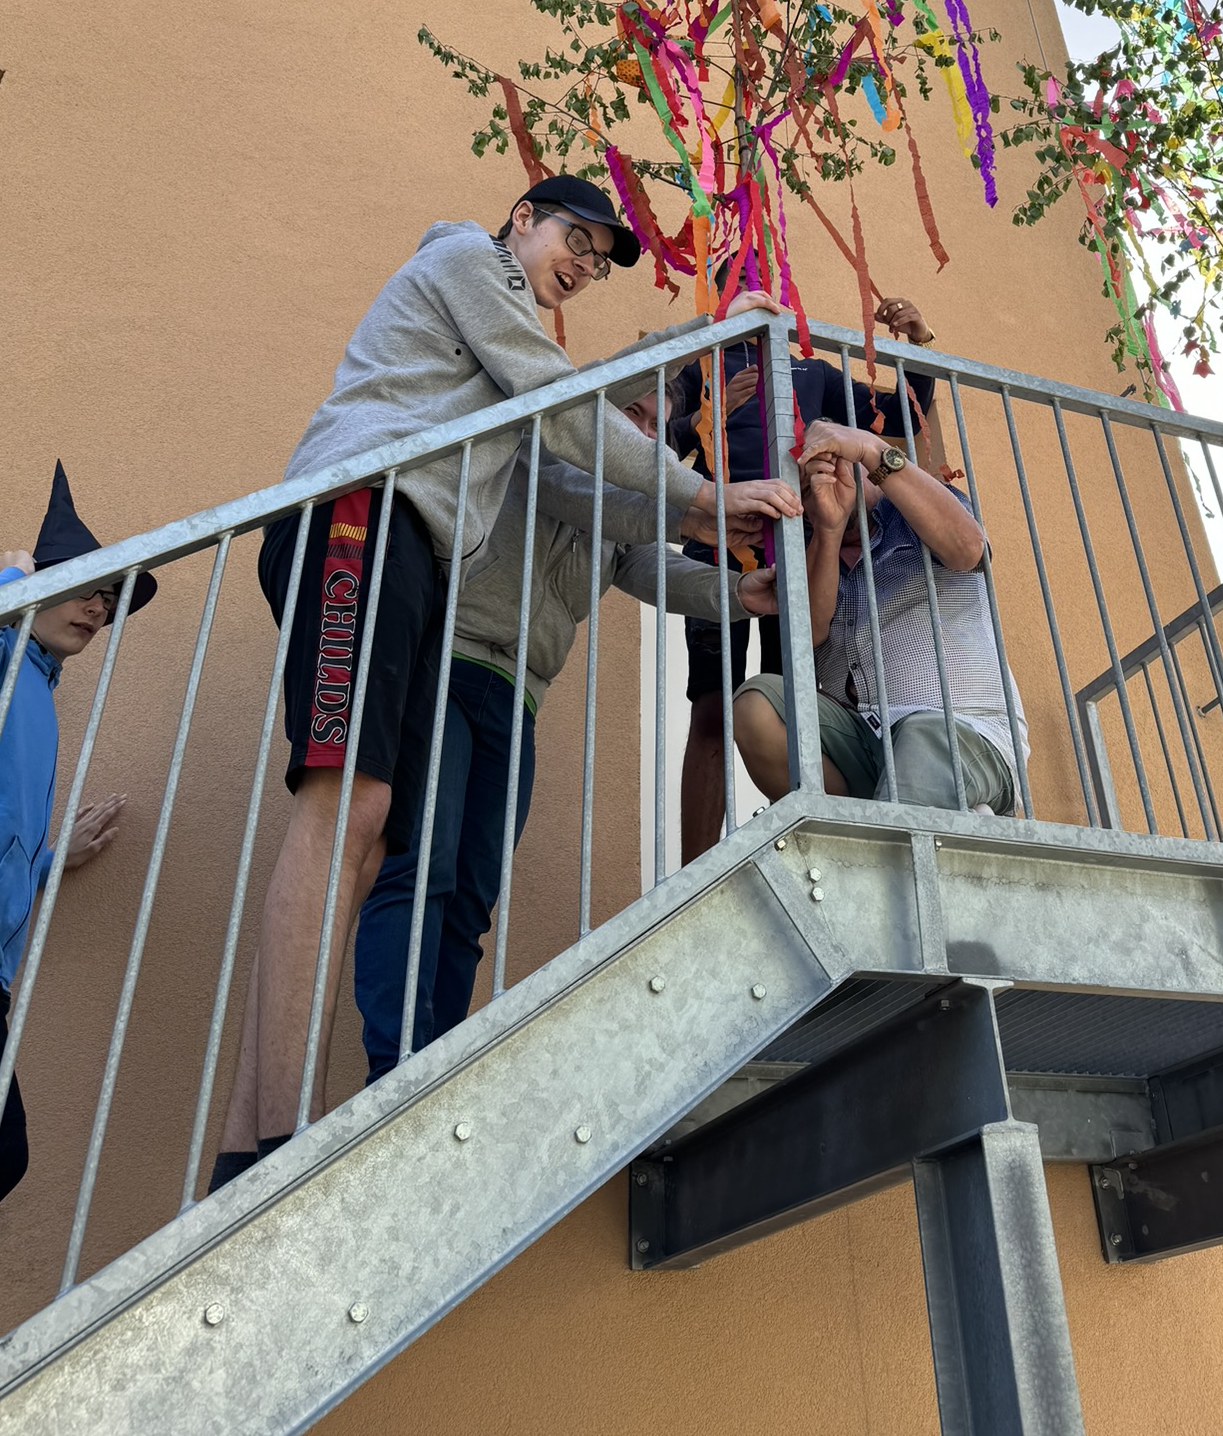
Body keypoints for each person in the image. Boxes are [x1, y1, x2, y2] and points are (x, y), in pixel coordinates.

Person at [211, 179, 799, 1191]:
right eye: (577, 238)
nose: (584, 265)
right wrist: (704, 466)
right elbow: (572, 414)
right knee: (356, 820)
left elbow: (620, 523)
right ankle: (289, 1137)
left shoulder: (511, 365)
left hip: (418, 560)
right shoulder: (469, 264)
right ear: (522, 217)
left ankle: (250, 1145)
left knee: (373, 832)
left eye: (600, 261)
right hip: (363, 509)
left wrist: (733, 581)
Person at [352, 379, 778, 1080]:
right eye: (632, 414)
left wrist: (737, 593)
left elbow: (647, 565)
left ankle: (431, 1073)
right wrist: (691, 510)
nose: (645, 434)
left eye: (657, 428)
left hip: (520, 694)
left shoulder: (623, 511)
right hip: (447, 661)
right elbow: (578, 495)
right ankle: (392, 1068)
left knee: (471, 894)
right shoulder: (538, 444)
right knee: (422, 866)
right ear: (597, 410)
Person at [669, 292, 940, 860]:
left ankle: (808, 850)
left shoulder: (813, 371)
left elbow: (896, 416)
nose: (756, 294)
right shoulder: (702, 365)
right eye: (739, 280)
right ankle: (695, 875)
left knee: (796, 707)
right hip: (716, 550)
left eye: (764, 281)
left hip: (799, 551)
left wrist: (918, 345)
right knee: (712, 711)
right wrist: (707, 415)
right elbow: (660, 445)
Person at [0, 464, 151, 1209]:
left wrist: (55, 860)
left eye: (109, 601)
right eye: (88, 588)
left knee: (3, 1154)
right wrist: (9, 588)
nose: (99, 608)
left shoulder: (35, 689)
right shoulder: (2, 653)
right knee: (3, 1152)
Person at [732, 417, 1027, 817]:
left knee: (923, 734)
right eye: (808, 483)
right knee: (757, 704)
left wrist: (872, 449)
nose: (826, 484)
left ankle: (884, 834)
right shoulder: (812, 554)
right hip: (865, 744)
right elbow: (808, 635)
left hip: (967, 732)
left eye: (836, 464)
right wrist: (829, 528)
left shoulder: (916, 503)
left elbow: (968, 549)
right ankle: (869, 822)